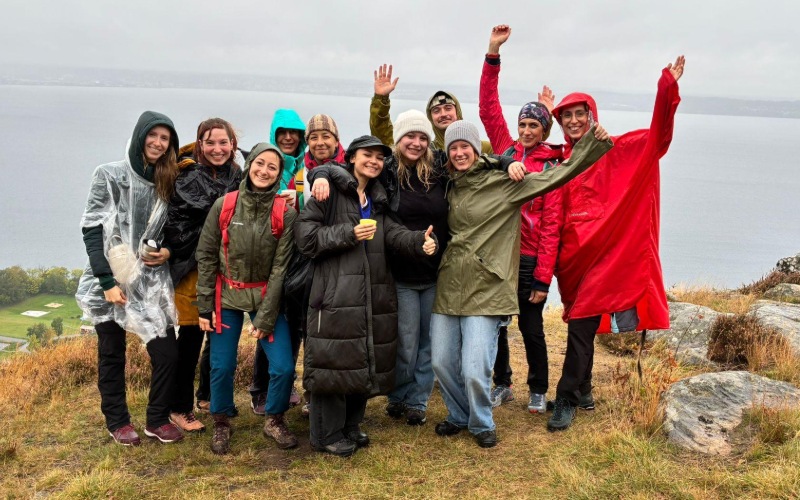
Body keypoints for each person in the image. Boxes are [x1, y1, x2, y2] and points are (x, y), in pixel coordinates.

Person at [430, 120, 611, 448]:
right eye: (453, 147)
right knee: (441, 361)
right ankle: (459, 415)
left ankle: (481, 422)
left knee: (474, 367)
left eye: (465, 147)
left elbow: (557, 174)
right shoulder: (448, 184)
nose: (458, 153)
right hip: (450, 282)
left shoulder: (505, 183)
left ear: (476, 149)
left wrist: (591, 146)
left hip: (486, 287)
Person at [547, 56, 686, 432]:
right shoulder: (559, 159)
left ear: (592, 115)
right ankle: (586, 388)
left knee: (579, 325)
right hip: (571, 260)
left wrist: (666, 89)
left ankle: (566, 399)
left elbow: (659, 137)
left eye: (580, 113)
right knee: (582, 324)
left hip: (605, 259)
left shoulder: (617, 149)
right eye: (566, 116)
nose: (574, 120)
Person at [295, 135, 437, 457]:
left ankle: (350, 426)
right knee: (334, 363)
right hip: (333, 294)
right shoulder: (328, 192)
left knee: (360, 361)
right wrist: (348, 233)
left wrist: (419, 241)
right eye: (366, 155)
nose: (373, 161)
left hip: (369, 294)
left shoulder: (376, 198)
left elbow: (391, 234)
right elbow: (305, 239)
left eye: (378, 157)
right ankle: (325, 435)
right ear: (352, 158)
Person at [76, 110, 184, 446]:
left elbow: (175, 231)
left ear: (170, 146)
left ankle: (156, 418)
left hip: (149, 281)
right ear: (140, 136)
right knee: (112, 353)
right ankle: (118, 421)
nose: (158, 142)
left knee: (167, 353)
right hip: (109, 279)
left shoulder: (169, 181)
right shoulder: (109, 174)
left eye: (165, 138)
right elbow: (91, 228)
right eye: (153, 135)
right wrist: (107, 282)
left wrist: (166, 251)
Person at [478, 25, 563, 413]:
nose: (527, 131)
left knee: (531, 328)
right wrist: (493, 53)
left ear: (544, 131)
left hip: (529, 260)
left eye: (534, 126)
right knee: (496, 326)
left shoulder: (551, 169)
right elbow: (487, 108)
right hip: (499, 254)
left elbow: (551, 228)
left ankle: (538, 389)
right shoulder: (504, 150)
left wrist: (544, 277)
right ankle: (502, 383)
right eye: (523, 124)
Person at [196, 143, 298, 453]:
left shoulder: (285, 213)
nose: (264, 171)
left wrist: (266, 318)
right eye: (260, 163)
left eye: (272, 167)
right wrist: (204, 306)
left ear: (279, 175)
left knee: (282, 367)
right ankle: (221, 421)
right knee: (221, 365)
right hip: (225, 295)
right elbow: (206, 255)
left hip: (265, 296)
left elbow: (280, 269)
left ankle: (274, 419)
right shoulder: (224, 205)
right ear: (250, 164)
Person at [163, 118, 243, 433]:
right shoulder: (186, 176)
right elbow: (179, 228)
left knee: (218, 335)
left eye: (223, 142)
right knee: (192, 337)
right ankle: (179, 408)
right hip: (192, 272)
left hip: (225, 269)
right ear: (200, 144)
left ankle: (207, 396)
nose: (217, 149)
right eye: (210, 142)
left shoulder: (237, 174)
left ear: (233, 145)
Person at [248, 109, 306, 415]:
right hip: (268, 262)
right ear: (274, 134)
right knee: (266, 324)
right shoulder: (268, 166)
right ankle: (260, 389)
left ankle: (284, 385)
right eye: (283, 132)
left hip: (297, 258)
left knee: (292, 325)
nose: (288, 137)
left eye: (294, 133)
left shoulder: (302, 169)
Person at [370, 64, 493, 154]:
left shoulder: (484, 148)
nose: (443, 114)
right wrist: (381, 99)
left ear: (458, 112)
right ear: (430, 118)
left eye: (448, 108)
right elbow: (386, 138)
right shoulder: (425, 152)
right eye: (436, 111)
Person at [285, 114, 346, 211]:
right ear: (308, 143)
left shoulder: (352, 171)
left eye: (326, 136)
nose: (320, 143)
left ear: (336, 141)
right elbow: (293, 219)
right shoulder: (298, 179)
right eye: (314, 138)